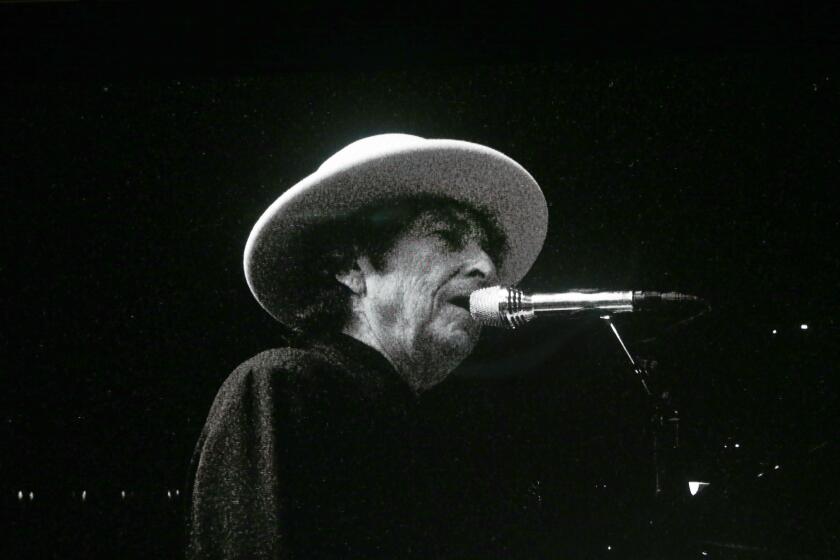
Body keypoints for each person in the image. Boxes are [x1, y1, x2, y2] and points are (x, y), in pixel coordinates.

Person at [185, 134, 548, 559]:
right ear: (350, 267)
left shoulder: (437, 432)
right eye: (447, 237)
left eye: (487, 249)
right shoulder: (282, 386)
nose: (486, 267)